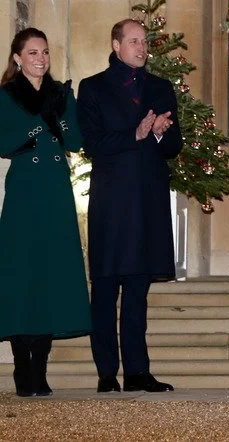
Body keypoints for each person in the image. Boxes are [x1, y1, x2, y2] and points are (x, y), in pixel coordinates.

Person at [77, 18, 182, 393]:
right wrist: (134, 133)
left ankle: (138, 371)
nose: (142, 48)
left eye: (144, 42)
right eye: (134, 41)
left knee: (138, 291)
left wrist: (157, 134)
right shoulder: (92, 88)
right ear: (116, 44)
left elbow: (174, 147)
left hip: (148, 201)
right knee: (105, 290)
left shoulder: (160, 88)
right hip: (111, 202)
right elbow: (91, 142)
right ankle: (107, 372)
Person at [0, 28, 92, 397]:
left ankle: (41, 366)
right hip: (25, 191)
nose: (41, 58)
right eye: (33, 52)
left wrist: (59, 115)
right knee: (23, 275)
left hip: (55, 189)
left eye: (46, 52)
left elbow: (75, 141)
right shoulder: (5, 96)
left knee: (52, 275)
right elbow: (5, 142)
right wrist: (40, 123)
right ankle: (23, 365)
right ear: (18, 58)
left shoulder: (61, 93)